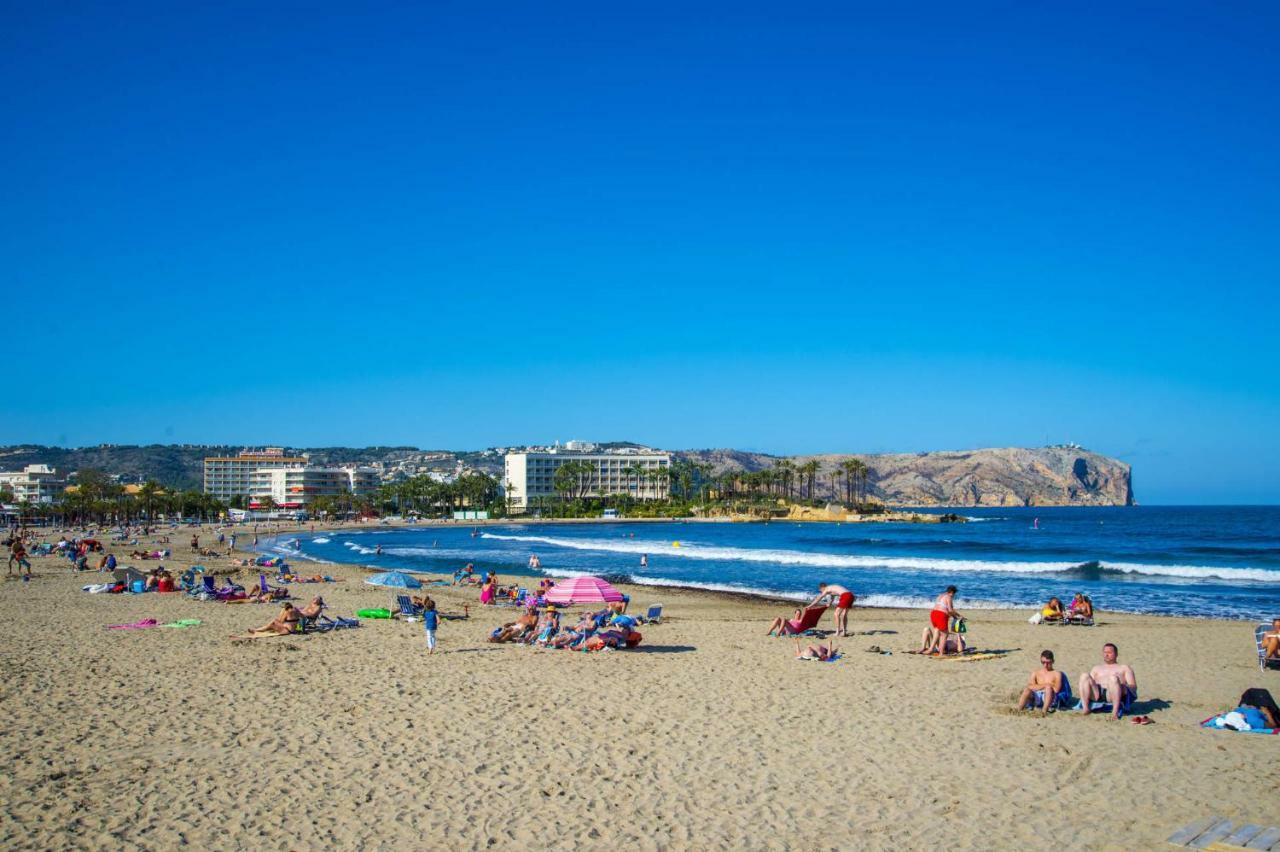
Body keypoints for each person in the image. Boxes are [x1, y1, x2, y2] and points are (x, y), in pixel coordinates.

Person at [1078, 643, 1138, 719]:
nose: (1106, 655)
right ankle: (1086, 708)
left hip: (1112, 694)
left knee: (1113, 678)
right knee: (1084, 675)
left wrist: (1123, 686)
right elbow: (1088, 684)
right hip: (1097, 694)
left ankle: (1115, 712)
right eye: (1105, 652)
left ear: (1116, 654)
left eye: (1109, 653)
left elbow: (1133, 687)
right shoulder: (1096, 668)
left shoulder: (1124, 668)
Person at [925, 586, 962, 656]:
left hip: (933, 613)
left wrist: (955, 617)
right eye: (954, 594)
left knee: (937, 632)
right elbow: (950, 610)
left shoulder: (940, 595)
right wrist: (958, 616)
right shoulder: (949, 597)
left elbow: (944, 608)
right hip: (940, 615)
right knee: (944, 634)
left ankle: (930, 649)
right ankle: (941, 653)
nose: (954, 596)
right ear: (952, 592)